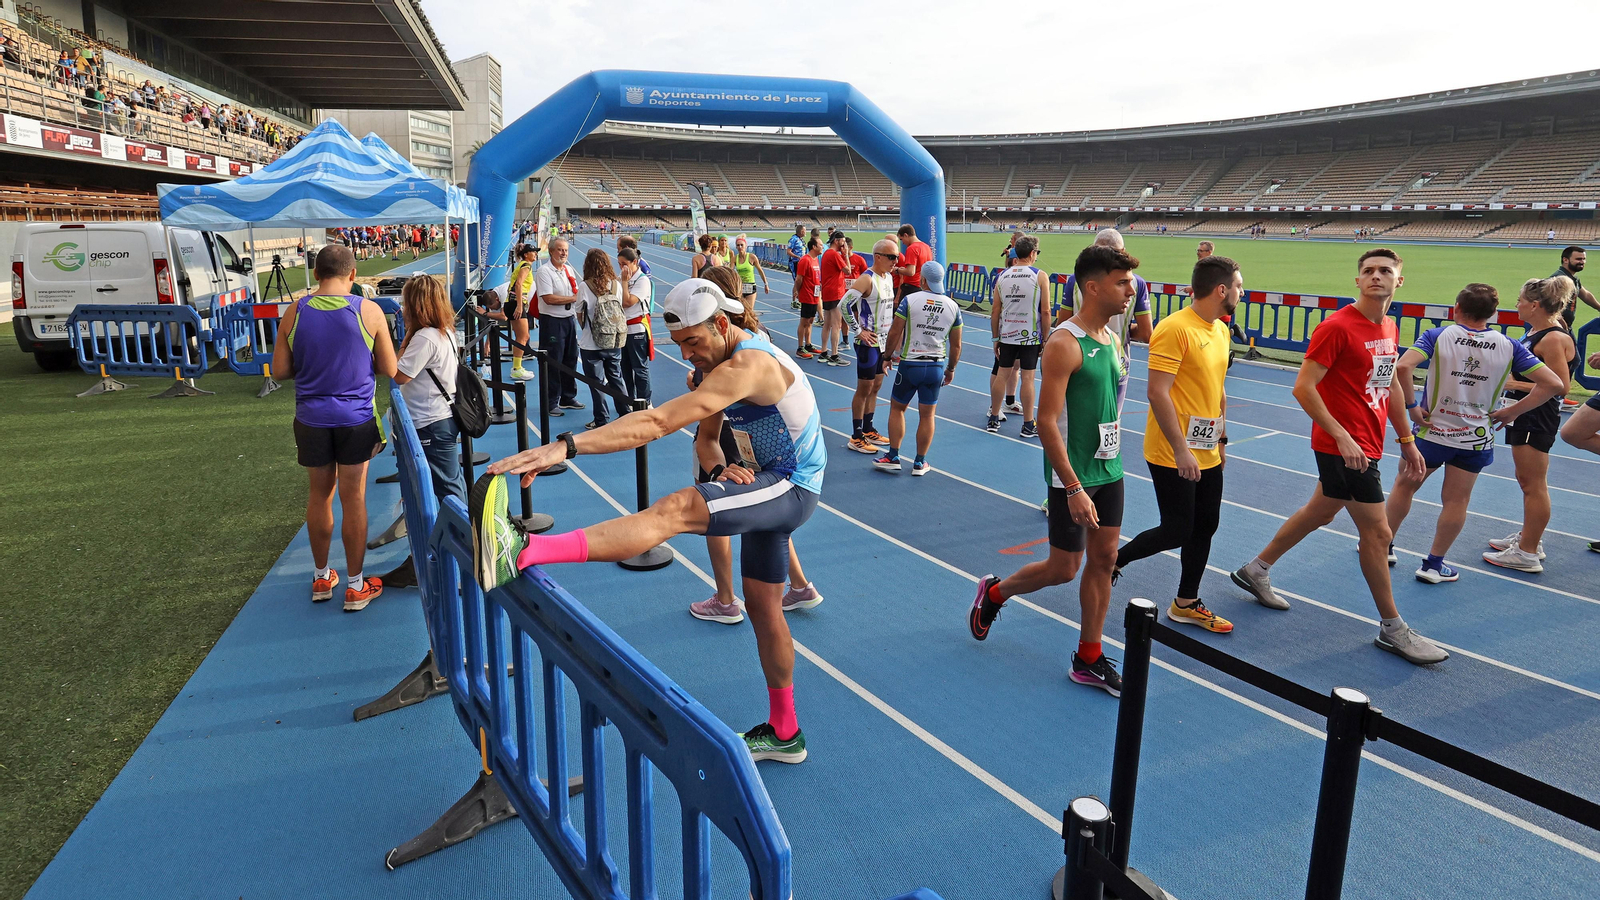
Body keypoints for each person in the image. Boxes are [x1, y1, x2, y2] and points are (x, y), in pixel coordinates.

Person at [472, 277, 827, 763]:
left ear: (723, 324)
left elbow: (658, 424)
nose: (688, 356)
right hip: (769, 480)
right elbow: (706, 442)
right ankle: (786, 732)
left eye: (694, 343)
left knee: (675, 509)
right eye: (679, 346)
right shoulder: (719, 363)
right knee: (763, 609)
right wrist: (724, 470)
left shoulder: (750, 365)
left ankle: (526, 550)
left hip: (795, 484)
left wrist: (566, 446)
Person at [1230, 249, 1449, 665]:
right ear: (1357, 280)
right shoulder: (1337, 328)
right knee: (1379, 535)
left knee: (1322, 510)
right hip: (1344, 449)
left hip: (1368, 441)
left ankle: (1255, 570)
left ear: (1399, 281)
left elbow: (1390, 387)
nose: (1376, 276)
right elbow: (1303, 387)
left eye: (1386, 271)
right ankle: (1393, 629)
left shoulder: (1387, 324)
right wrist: (1342, 436)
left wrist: (1406, 438)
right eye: (1368, 271)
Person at [967, 244, 1138, 697]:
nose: (1130, 289)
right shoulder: (1064, 343)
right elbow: (1045, 422)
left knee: (1104, 560)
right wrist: (1073, 487)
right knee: (1065, 568)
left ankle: (1089, 656)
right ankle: (996, 593)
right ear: (1093, 286)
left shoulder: (1112, 338)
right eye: (1121, 282)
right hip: (1074, 477)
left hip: (1111, 467)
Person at [1385, 284, 1563, 583]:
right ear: (1494, 314)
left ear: (1456, 308)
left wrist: (1413, 407)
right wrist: (1513, 411)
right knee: (1456, 502)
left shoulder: (1437, 335)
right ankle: (1433, 565)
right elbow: (1555, 385)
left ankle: (1383, 548)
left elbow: (1403, 366)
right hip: (1474, 439)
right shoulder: (1509, 346)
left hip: (1432, 433)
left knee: (1404, 486)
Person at [1114, 255, 1242, 633]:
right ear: (1221, 290)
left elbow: (1217, 386)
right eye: (1238, 286)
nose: (1241, 292)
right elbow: (1158, 393)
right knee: (1177, 529)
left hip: (1207, 446)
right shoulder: (1174, 329)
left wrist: (1221, 435)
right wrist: (1181, 449)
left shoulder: (1220, 329)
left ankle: (1186, 602)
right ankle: (1113, 560)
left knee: (1207, 524)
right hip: (1172, 451)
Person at [687, 269, 823, 622]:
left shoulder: (723, 353)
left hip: (734, 431)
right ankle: (800, 584)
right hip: (765, 441)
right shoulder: (756, 333)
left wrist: (701, 386)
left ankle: (726, 598)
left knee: (713, 503)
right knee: (766, 506)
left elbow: (706, 403)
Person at [270, 244, 396, 612]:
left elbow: (279, 371)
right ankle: (356, 586)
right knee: (353, 498)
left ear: (315, 274)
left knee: (319, 495)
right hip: (356, 419)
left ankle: (322, 577)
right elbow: (389, 367)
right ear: (353, 275)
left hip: (311, 419)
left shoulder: (294, 311)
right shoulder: (369, 310)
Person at [1486, 277, 1577, 571]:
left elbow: (1561, 386)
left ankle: (1526, 552)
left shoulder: (1552, 338)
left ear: (1535, 305)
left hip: (1535, 414)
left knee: (1533, 484)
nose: (1517, 304)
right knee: (1527, 482)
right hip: (1525, 412)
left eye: (1521, 300)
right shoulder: (1537, 331)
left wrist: (1512, 385)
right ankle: (1529, 537)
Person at [874, 261, 963, 475]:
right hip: (935, 366)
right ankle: (920, 462)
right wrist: (950, 369)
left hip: (910, 364)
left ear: (922, 279)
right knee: (928, 415)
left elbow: (895, 332)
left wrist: (886, 357)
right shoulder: (953, 306)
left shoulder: (909, 300)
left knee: (897, 409)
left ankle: (893, 456)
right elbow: (957, 344)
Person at [393, 275, 467, 505]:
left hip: (431, 422)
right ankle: (462, 532)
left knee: (447, 488)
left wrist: (405, 339)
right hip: (439, 417)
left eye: (406, 303)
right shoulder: (443, 331)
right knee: (450, 482)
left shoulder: (425, 338)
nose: (403, 308)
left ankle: (463, 536)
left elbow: (399, 375)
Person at [987, 235, 1051, 438]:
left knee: (1002, 374)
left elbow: (995, 311)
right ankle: (1027, 424)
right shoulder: (1040, 276)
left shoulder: (1003, 276)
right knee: (1028, 378)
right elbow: (1046, 311)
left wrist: (995, 338)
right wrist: (1046, 338)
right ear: (1032, 253)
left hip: (1007, 334)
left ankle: (994, 417)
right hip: (1030, 336)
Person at [841, 239, 901, 453]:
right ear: (878, 256)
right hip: (867, 344)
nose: (896, 261)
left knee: (876, 387)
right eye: (892, 257)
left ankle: (868, 429)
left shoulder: (888, 278)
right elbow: (844, 305)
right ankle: (856, 436)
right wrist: (859, 331)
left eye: (897, 257)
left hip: (883, 343)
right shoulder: (867, 279)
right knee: (864, 389)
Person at [575, 248, 630, 429]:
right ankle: (625, 415)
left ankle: (601, 420)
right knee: (616, 378)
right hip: (614, 341)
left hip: (591, 343)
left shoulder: (585, 286)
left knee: (596, 384)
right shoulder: (616, 284)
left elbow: (580, 313)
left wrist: (588, 327)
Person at [534, 238, 583, 415]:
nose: (564, 253)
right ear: (552, 251)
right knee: (553, 362)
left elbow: (576, 292)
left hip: (569, 320)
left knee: (570, 358)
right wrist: (573, 299)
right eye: (560, 250)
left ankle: (568, 397)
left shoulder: (568, 270)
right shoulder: (544, 271)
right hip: (552, 322)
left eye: (566, 250)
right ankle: (550, 402)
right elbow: (548, 298)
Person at [617, 247, 653, 406]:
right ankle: (630, 400)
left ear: (635, 262)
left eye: (624, 264)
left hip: (637, 329)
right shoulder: (623, 277)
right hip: (623, 330)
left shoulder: (642, 280)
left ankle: (645, 401)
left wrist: (624, 282)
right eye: (619, 264)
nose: (622, 268)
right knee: (625, 368)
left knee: (639, 368)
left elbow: (627, 302)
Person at [1196, 240, 1249, 346]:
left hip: (1217, 309)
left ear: (1209, 251)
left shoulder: (1214, 267)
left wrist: (1238, 289)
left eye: (1201, 251)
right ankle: (1232, 332)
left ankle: (1232, 332)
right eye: (1198, 250)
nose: (1198, 253)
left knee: (1214, 340)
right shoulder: (1203, 266)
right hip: (1209, 309)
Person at [818, 232, 852, 366]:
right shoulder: (834, 254)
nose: (844, 245)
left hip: (827, 291)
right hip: (835, 292)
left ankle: (824, 352)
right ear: (837, 241)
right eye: (843, 242)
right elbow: (848, 270)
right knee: (836, 325)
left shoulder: (826, 253)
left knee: (827, 324)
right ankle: (834, 355)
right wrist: (846, 254)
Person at [506, 244, 538, 381]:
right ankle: (516, 369)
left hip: (511, 302)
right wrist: (520, 305)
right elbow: (518, 284)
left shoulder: (522, 265)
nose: (535, 254)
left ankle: (517, 366)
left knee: (521, 336)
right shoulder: (526, 265)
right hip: (514, 303)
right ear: (526, 254)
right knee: (523, 337)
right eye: (533, 252)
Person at [794, 237, 823, 358]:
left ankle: (808, 344)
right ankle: (800, 348)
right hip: (807, 295)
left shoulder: (815, 260)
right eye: (820, 245)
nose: (822, 247)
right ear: (814, 247)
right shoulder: (805, 260)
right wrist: (796, 290)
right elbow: (799, 278)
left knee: (811, 321)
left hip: (815, 295)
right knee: (804, 321)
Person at [893, 224, 933, 302]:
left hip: (911, 287)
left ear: (906, 235)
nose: (903, 243)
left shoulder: (912, 248)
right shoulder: (927, 247)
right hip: (922, 286)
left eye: (901, 239)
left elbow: (910, 272)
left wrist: (897, 270)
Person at [731, 235, 770, 305]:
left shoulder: (752, 257)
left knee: (749, 310)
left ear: (746, 246)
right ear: (736, 247)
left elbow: (760, 271)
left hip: (750, 286)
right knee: (741, 310)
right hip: (740, 286)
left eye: (742, 245)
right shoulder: (734, 259)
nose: (740, 247)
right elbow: (730, 272)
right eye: (738, 245)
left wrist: (766, 284)